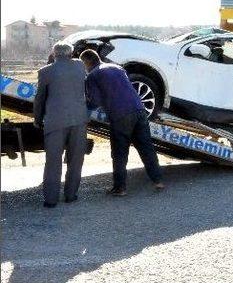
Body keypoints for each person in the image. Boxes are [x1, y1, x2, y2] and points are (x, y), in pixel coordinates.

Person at [79, 49, 164, 196]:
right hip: (139, 110)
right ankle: (158, 181)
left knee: (119, 152)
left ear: (86, 62)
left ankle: (120, 188)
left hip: (121, 115)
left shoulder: (93, 75)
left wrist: (83, 108)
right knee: (146, 147)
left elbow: (95, 101)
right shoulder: (117, 68)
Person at [33, 42, 89, 208]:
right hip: (79, 120)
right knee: (76, 159)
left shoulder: (45, 72)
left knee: (53, 161)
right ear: (71, 53)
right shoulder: (80, 66)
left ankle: (50, 200)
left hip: (55, 121)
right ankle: (71, 195)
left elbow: (40, 98)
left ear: (54, 54)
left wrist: (37, 119)